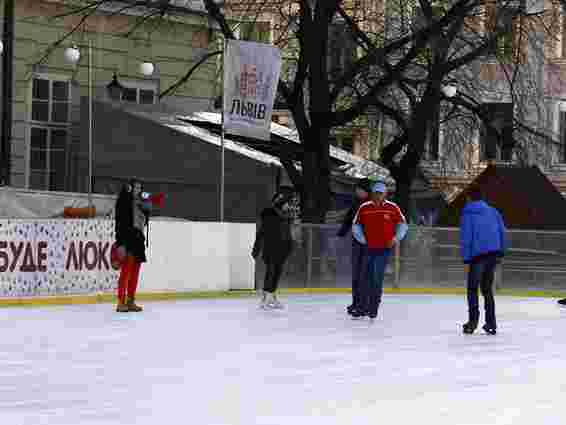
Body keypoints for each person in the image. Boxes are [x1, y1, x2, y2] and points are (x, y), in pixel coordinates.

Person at [352, 181, 408, 320]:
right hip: (368, 248)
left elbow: (403, 224)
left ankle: (373, 308)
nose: (377, 195)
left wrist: (396, 238)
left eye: (380, 193)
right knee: (364, 278)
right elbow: (356, 225)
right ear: (372, 193)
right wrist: (362, 239)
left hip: (384, 249)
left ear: (385, 194)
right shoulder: (364, 207)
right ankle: (361, 308)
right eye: (375, 192)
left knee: (376, 278)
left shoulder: (392, 207)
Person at [459, 186, 507, 335]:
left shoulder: (467, 213)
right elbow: (502, 231)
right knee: (487, 289)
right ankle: (491, 323)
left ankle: (472, 322)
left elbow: (466, 237)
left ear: (469, 197)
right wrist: (501, 251)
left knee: (472, 289)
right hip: (493, 253)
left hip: (477, 256)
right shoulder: (493, 211)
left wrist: (466, 258)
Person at [252, 190, 296, 309]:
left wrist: (290, 246)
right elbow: (261, 232)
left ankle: (271, 296)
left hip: (283, 249)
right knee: (271, 272)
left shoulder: (286, 216)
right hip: (271, 248)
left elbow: (288, 233)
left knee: (277, 272)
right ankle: (265, 298)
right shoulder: (269, 214)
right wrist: (256, 248)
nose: (288, 205)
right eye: (286, 203)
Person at [114, 179, 152, 313]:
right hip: (127, 238)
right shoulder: (125, 201)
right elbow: (119, 223)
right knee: (126, 271)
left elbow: (146, 217)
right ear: (130, 188)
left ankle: (131, 300)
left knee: (135, 272)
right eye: (135, 188)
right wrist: (120, 243)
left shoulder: (141, 203)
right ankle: (121, 302)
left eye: (139, 188)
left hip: (138, 239)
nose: (138, 190)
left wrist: (146, 205)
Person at [337, 178, 372, 316]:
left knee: (364, 275)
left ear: (366, 191)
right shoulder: (356, 203)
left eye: (359, 189)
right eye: (356, 189)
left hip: (369, 245)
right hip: (357, 243)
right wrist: (341, 232)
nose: (357, 191)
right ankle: (356, 303)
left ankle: (364, 305)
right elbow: (348, 219)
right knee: (356, 275)